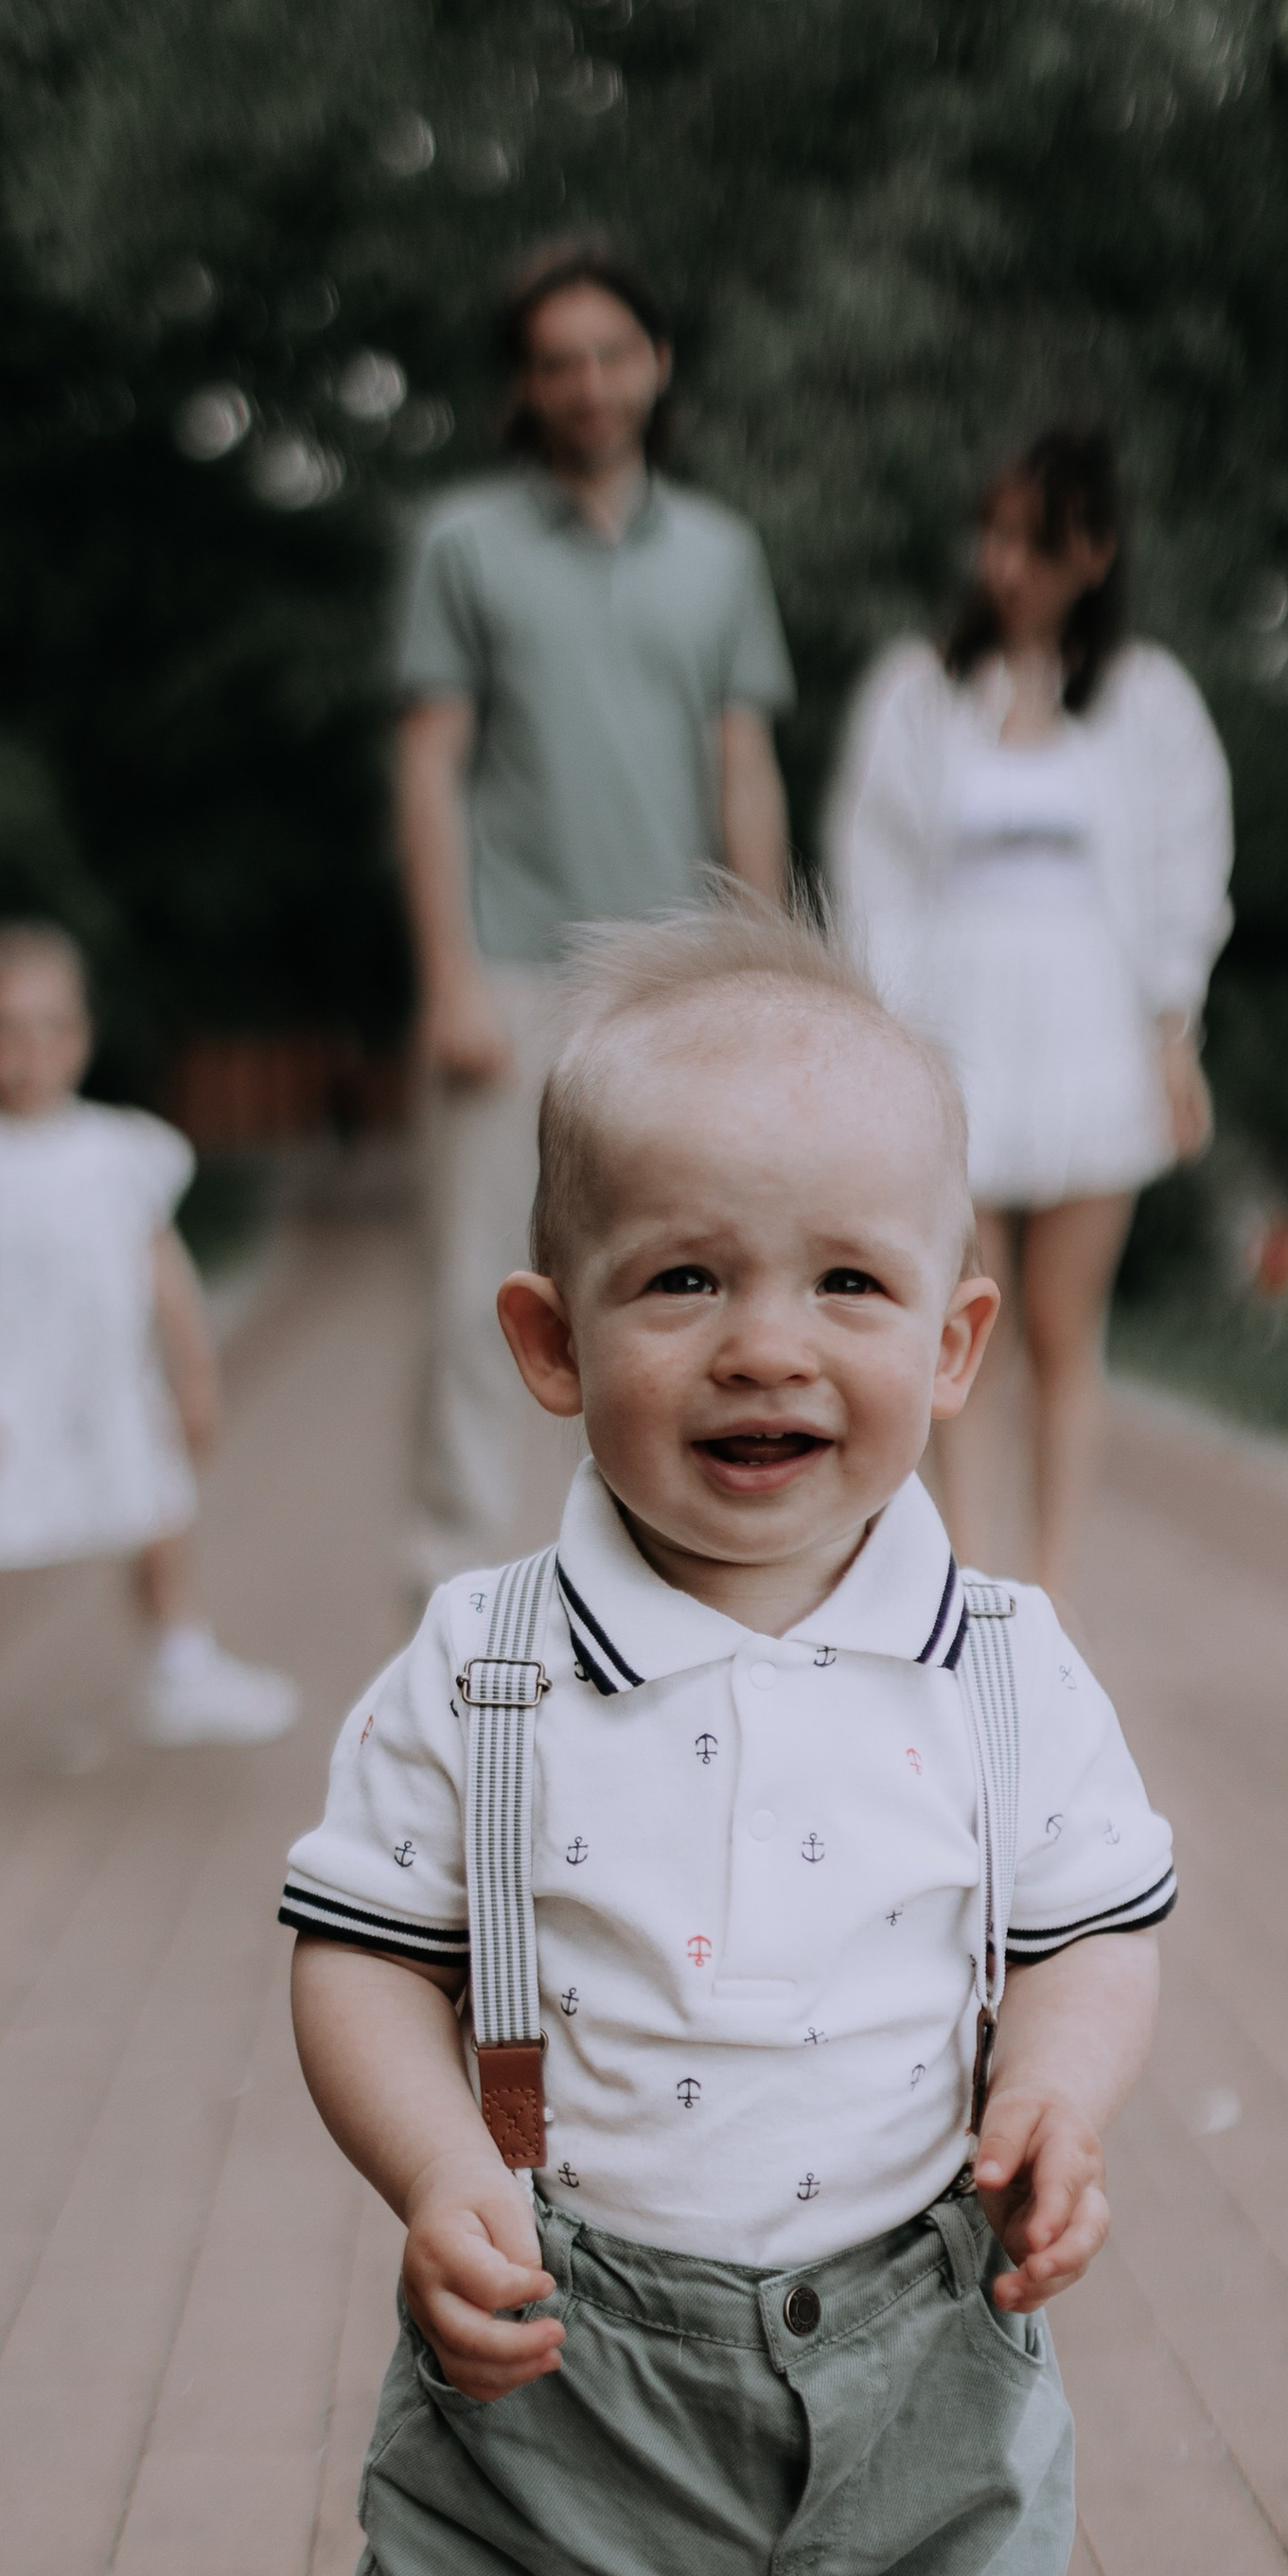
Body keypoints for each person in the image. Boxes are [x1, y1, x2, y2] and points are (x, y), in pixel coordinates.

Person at [274, 896, 1174, 2576]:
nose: (771, 1345)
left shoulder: (1004, 1665)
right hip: (563, 2368)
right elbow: (353, 1960)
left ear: (954, 1341)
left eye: (848, 1283)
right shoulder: (475, 1671)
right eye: (683, 1279)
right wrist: (432, 2161)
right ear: (555, 1342)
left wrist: (1063, 2088)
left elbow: (1102, 1931)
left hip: (920, 2356)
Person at [393, 237, 795, 1598]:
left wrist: (762, 972)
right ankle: (453, 1598)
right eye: (558, 360)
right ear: (527, 385)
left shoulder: (723, 553)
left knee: (681, 1286)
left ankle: (660, 1579)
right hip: (510, 970)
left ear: (656, 365)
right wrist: (447, 972)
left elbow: (743, 764)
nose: (589, 381)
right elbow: (430, 764)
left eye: (612, 352)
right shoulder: (465, 545)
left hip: (672, 988)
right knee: (475, 1297)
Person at [827, 426, 1233, 1597]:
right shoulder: (917, 691)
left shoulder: (1150, 702)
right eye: (994, 535)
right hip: (956, 1037)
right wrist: (886, 1036)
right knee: (964, 1322)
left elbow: (1184, 869)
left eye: (1035, 542)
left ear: (1093, 552)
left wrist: (1174, 1032)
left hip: (1093, 1042)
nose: (1005, 564)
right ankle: (966, 1572)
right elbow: (874, 870)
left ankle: (1047, 1591)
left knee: (1062, 1330)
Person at [0, 923, 297, 1799]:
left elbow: (164, 1270)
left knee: (156, 1521)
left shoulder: (121, 1152)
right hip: (7, 1395)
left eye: (51, 1026)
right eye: (5, 1028)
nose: (31, 1050)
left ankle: (183, 1670)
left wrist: (194, 1372)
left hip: (107, 1391)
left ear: (82, 1035)